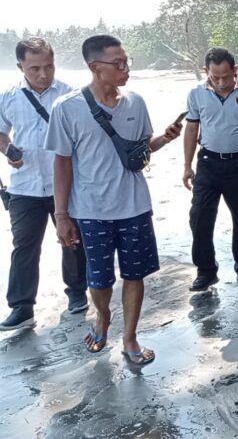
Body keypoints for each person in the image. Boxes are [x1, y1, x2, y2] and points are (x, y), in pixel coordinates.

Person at [45, 34, 182, 364]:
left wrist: (164, 137)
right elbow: (61, 162)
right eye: (117, 63)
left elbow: (140, 149)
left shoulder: (135, 102)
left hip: (134, 205)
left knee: (135, 274)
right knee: (99, 279)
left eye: (127, 61)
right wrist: (62, 216)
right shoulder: (66, 108)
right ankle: (103, 315)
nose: (125, 68)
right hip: (91, 210)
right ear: (95, 67)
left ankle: (130, 338)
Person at [0, 38, 88, 330]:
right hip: (24, 186)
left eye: (48, 67)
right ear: (20, 66)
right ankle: (22, 307)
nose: (43, 74)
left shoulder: (70, 95)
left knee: (72, 240)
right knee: (24, 246)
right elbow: (1, 133)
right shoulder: (8, 97)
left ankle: (77, 293)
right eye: (34, 68)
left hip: (66, 185)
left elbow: (85, 137)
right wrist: (8, 149)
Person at [183, 47, 238, 292]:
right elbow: (191, 129)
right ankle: (206, 271)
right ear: (205, 71)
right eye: (214, 77)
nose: (221, 82)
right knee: (199, 217)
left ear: (235, 71)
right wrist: (187, 165)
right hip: (208, 164)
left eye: (226, 76)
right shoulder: (196, 93)